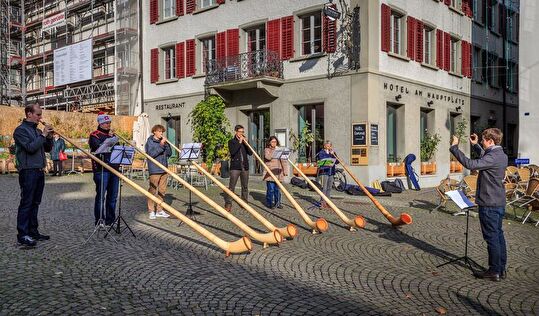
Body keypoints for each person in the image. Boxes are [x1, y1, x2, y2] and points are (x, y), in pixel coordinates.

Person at [450, 128, 508, 282]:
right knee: (498, 235)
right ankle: (500, 269)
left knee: (492, 238)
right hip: (498, 202)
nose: (482, 141)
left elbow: (470, 164)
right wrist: (476, 145)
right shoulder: (501, 155)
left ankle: (494, 270)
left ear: (490, 141)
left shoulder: (493, 157)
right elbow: (486, 157)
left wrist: (454, 147)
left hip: (489, 203)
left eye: (483, 140)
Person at [13, 104, 53, 247]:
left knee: (35, 203)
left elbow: (48, 148)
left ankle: (32, 231)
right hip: (28, 171)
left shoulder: (36, 131)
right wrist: (43, 134)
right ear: (29, 114)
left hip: (39, 170)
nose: (40, 117)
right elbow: (30, 148)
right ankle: (22, 235)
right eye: (38, 114)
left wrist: (49, 136)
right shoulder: (20, 131)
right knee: (26, 202)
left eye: (41, 115)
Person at [89, 112, 119, 226]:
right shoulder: (94, 135)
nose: (108, 125)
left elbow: (118, 149)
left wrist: (114, 140)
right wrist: (108, 142)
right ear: (100, 123)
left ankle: (110, 220)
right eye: (106, 123)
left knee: (113, 196)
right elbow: (96, 148)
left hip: (114, 168)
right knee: (101, 196)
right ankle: (99, 220)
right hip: (101, 169)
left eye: (109, 122)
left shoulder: (112, 136)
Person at [145, 125, 172, 220]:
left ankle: (160, 210)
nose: (161, 133)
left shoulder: (163, 142)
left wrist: (167, 145)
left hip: (164, 169)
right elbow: (151, 154)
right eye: (159, 131)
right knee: (152, 190)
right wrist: (161, 144)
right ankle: (151, 210)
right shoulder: (150, 142)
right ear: (154, 132)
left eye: (162, 132)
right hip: (155, 169)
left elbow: (169, 153)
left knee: (162, 190)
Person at [224, 125, 252, 212]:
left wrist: (247, 144)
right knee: (232, 186)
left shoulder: (244, 142)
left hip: (244, 166)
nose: (241, 133)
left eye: (243, 132)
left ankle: (244, 202)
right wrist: (239, 142)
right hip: (235, 167)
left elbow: (250, 153)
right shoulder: (231, 141)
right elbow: (233, 152)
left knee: (245, 186)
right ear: (236, 132)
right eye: (240, 132)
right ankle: (228, 203)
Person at [263, 136, 288, 209]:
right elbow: (268, 157)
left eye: (275, 142)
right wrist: (275, 151)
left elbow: (284, 161)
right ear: (269, 142)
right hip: (270, 172)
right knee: (271, 189)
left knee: (277, 189)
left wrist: (285, 171)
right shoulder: (267, 149)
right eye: (272, 142)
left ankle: (278, 203)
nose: (274, 143)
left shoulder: (280, 150)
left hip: (278, 172)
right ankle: (269, 203)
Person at [317, 140, 339, 209]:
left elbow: (337, 161)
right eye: (328, 145)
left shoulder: (332, 152)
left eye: (330, 146)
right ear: (324, 146)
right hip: (324, 172)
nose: (329, 147)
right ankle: (322, 202)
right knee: (324, 188)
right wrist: (330, 154)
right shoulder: (321, 152)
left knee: (329, 187)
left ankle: (328, 202)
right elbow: (323, 159)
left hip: (331, 172)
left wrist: (333, 155)